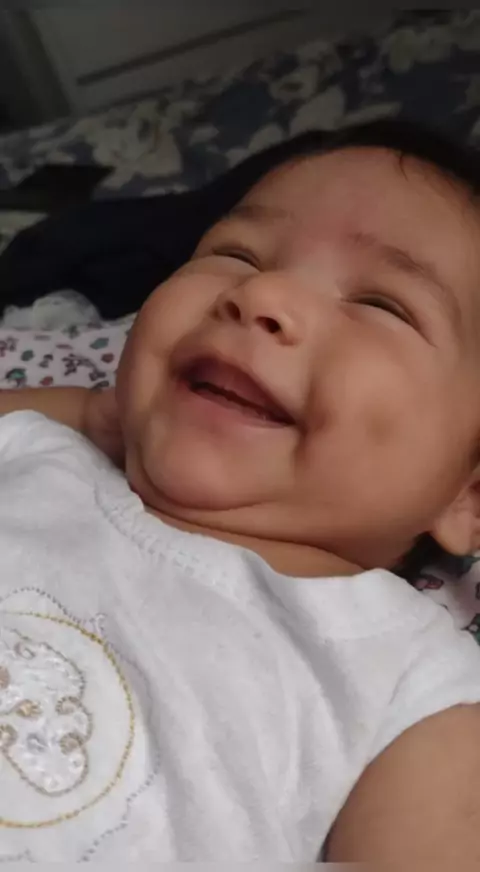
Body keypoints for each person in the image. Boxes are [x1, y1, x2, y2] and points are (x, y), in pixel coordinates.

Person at [1, 119, 480, 862]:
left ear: (469, 496)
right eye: (235, 254)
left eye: (383, 304)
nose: (263, 293)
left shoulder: (409, 678)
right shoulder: (39, 449)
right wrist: (100, 411)